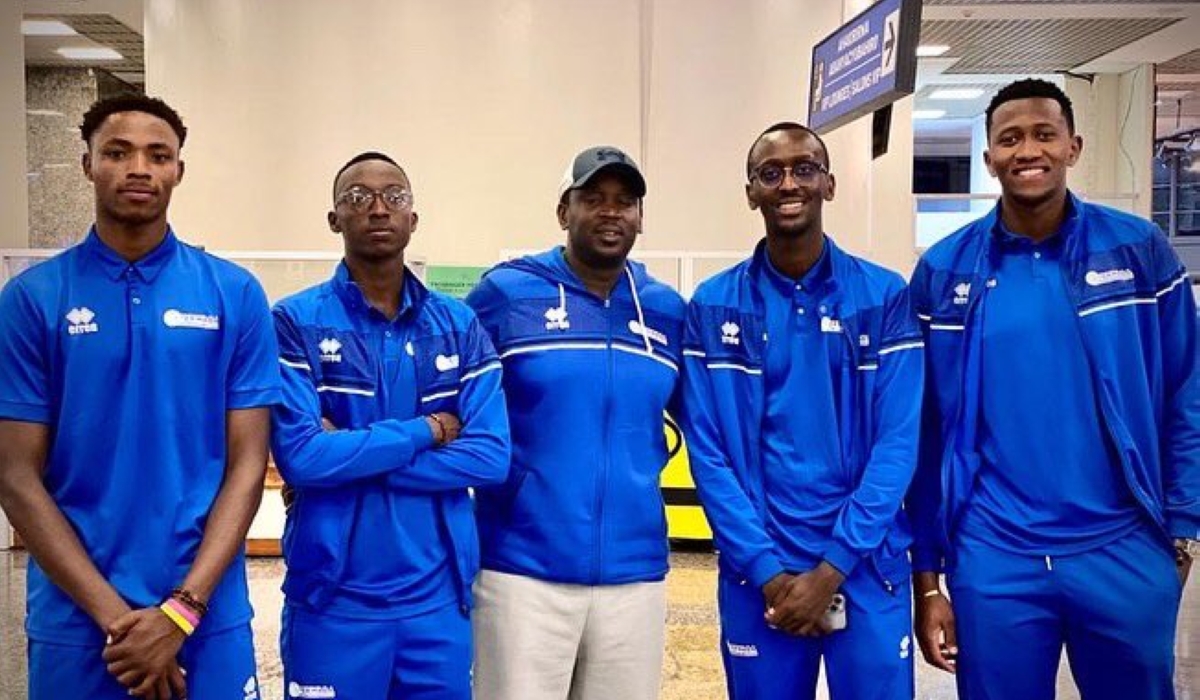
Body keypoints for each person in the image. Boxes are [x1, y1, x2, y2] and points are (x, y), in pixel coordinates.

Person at [907, 78, 1198, 700]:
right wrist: (928, 576)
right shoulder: (945, 270)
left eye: (1044, 134)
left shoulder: (1139, 250)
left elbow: (1186, 395)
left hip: (1123, 545)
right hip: (994, 553)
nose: (1027, 150)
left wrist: (1181, 529)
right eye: (1009, 139)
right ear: (989, 159)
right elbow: (926, 429)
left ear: (1074, 146)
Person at [0, 94, 280, 700]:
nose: (139, 169)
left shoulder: (233, 293)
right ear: (87, 165)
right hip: (79, 623)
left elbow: (248, 462)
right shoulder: (32, 300)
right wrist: (119, 623)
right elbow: (15, 475)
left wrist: (180, 611)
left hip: (207, 613)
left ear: (179, 169)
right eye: (118, 152)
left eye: (159, 155)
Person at [680, 122, 924, 700]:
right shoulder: (713, 307)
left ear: (829, 184)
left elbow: (898, 443)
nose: (788, 182)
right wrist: (766, 570)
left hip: (866, 566)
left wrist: (833, 568)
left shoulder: (883, 296)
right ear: (751, 192)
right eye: (771, 172)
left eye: (804, 168)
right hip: (757, 573)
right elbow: (708, 453)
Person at [270, 151, 510, 699]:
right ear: (335, 219)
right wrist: (425, 430)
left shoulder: (458, 324)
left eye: (393, 197)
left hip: (437, 607)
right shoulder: (294, 321)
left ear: (413, 218)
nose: (378, 208)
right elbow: (302, 458)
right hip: (331, 604)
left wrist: (349, 458)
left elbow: (491, 456)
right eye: (358, 197)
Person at [465, 146, 686, 700]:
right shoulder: (505, 295)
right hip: (521, 572)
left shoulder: (665, 310)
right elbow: (443, 387)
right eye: (594, 199)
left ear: (640, 217)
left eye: (625, 202)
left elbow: (709, 426)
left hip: (634, 575)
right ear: (564, 212)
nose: (611, 213)